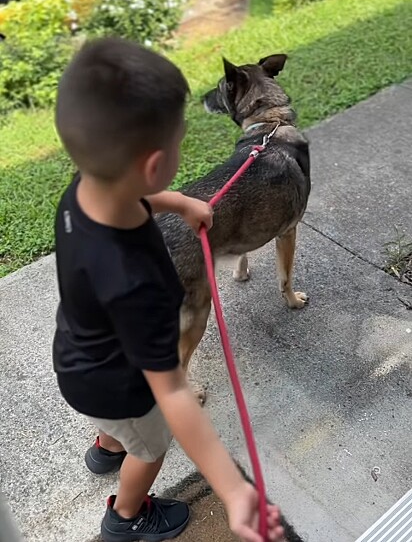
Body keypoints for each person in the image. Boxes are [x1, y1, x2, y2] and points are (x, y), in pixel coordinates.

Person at [52, 37, 285, 542]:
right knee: (151, 446)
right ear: (157, 161)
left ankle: (105, 449)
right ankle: (126, 518)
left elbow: (134, 192)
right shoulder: (135, 284)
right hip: (120, 383)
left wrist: (179, 203)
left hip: (81, 357)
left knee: (123, 427)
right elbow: (174, 392)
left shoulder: (83, 191)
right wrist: (233, 489)